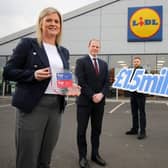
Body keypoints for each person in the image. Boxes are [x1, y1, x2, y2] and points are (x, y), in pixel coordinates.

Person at [3, 7, 80, 168]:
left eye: (57, 21)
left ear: (60, 26)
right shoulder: (28, 44)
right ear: (41, 23)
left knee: (46, 157)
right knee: (28, 158)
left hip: (56, 107)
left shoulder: (63, 51)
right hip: (33, 106)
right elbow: (8, 72)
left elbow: (61, 78)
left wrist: (69, 86)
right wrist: (33, 75)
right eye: (49, 20)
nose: (53, 24)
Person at [75, 39, 109, 168]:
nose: (95, 48)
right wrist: (92, 95)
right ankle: (82, 157)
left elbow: (107, 83)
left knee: (97, 130)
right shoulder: (81, 62)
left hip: (99, 103)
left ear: (99, 48)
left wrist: (101, 94)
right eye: (93, 46)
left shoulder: (104, 64)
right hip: (85, 102)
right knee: (81, 131)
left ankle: (95, 155)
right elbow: (81, 81)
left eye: (97, 47)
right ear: (88, 47)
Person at [125, 56, 147, 140]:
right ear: (133, 63)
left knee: (141, 113)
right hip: (133, 95)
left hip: (141, 95)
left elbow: (146, 82)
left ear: (140, 62)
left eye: (137, 61)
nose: (136, 63)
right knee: (134, 113)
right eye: (135, 62)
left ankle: (143, 131)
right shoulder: (131, 71)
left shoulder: (144, 71)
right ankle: (134, 129)